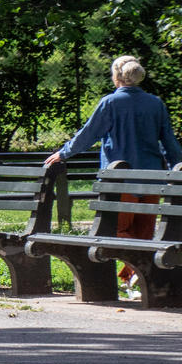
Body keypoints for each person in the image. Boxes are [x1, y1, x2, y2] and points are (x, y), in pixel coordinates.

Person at [46, 56, 182, 257]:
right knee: (144, 235)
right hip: (152, 180)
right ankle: (138, 276)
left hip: (119, 181)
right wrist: (177, 170)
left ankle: (137, 271)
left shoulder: (110, 103)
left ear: (117, 76)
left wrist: (63, 153)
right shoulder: (155, 104)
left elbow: (88, 134)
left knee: (116, 231)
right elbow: (170, 143)